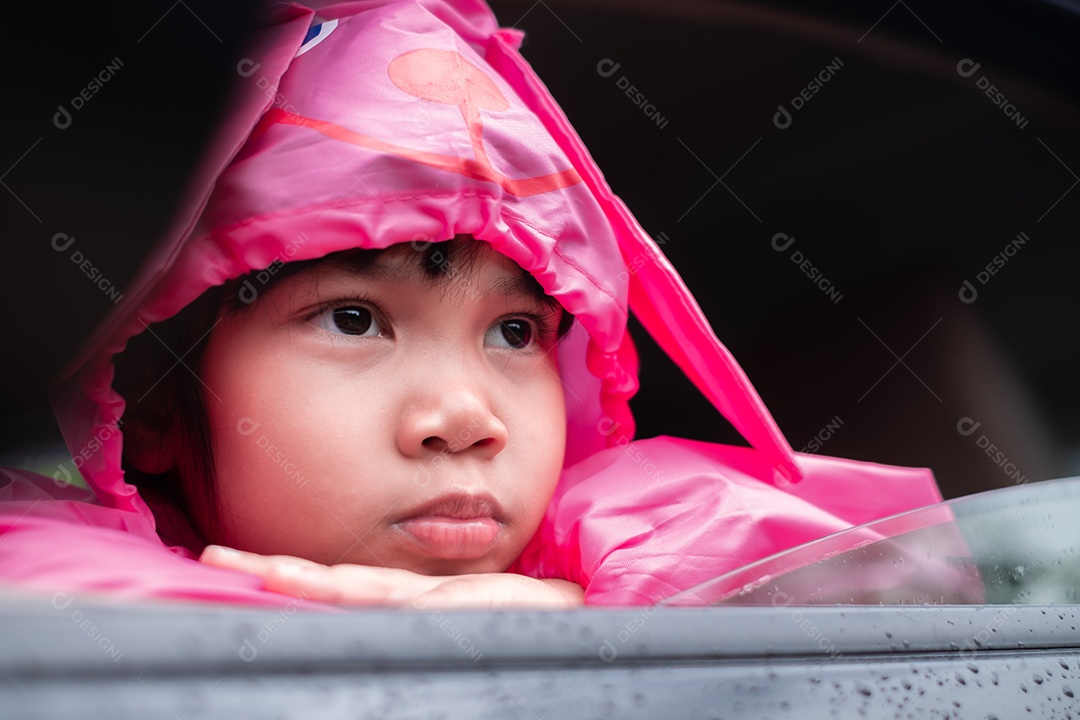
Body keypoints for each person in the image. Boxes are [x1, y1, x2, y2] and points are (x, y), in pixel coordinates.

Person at [0, 0, 944, 608]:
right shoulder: (60, 570)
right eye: (355, 318)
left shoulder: (608, 544)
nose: (465, 419)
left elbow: (889, 584)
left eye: (517, 331)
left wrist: (583, 623)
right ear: (161, 404)